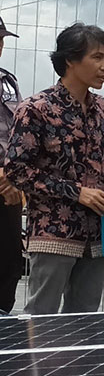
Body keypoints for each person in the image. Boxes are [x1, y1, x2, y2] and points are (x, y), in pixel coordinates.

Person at [4, 23, 104, 314]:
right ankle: (34, 362)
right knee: (42, 316)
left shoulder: (103, 108)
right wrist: (77, 193)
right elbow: (17, 170)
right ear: (70, 60)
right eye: (97, 58)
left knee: (86, 318)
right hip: (53, 234)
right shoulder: (36, 108)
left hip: (98, 233)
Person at [0, 16, 23, 314]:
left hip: (10, 187)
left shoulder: (8, 81)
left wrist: (13, 176)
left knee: (9, 263)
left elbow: (18, 134)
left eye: (2, 39)